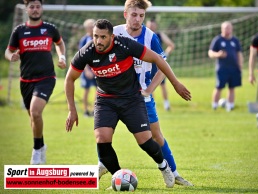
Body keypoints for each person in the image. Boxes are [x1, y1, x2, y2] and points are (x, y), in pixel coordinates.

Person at [65, 19, 191, 188]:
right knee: (102, 139)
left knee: (145, 141)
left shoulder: (124, 45)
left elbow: (158, 59)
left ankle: (164, 166)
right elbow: (69, 78)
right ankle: (118, 178)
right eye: (96, 36)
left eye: (103, 37)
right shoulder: (87, 51)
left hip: (131, 99)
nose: (99, 41)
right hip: (105, 101)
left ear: (112, 36)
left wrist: (176, 83)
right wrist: (72, 110)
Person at [107, 0, 193, 186]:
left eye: (141, 16)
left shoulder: (151, 37)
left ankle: (174, 173)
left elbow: (162, 66)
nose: (138, 19)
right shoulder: (113, 33)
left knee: (156, 135)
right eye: (134, 15)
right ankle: (104, 169)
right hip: (115, 95)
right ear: (125, 14)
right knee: (104, 135)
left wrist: (149, 90)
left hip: (141, 96)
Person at [5, 0, 66, 164]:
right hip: (26, 80)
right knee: (33, 118)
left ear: (42, 8)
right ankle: (41, 145)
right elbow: (8, 51)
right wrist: (11, 56)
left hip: (46, 78)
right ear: (27, 9)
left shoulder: (50, 28)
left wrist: (62, 57)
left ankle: (36, 150)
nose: (35, 9)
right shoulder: (19, 31)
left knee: (35, 111)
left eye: (38, 6)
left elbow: (59, 42)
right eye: (31, 7)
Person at [208, 21, 243, 111]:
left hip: (234, 68)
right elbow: (210, 53)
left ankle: (230, 106)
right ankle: (214, 106)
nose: (227, 30)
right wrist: (218, 54)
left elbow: (239, 53)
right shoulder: (218, 39)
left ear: (231, 29)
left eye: (228, 28)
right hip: (222, 68)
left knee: (232, 88)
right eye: (225, 28)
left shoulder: (235, 40)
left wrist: (240, 65)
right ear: (221, 29)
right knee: (219, 87)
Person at [146, 18, 175, 111]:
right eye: (149, 25)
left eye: (153, 25)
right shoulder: (144, 35)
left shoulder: (159, 35)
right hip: (147, 64)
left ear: (156, 25)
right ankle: (151, 105)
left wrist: (164, 55)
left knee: (162, 84)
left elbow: (171, 45)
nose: (151, 26)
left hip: (158, 64)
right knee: (149, 85)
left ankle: (166, 104)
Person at [79, 19, 98, 117]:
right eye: (89, 27)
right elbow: (81, 57)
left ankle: (95, 110)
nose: (91, 29)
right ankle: (86, 110)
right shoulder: (84, 40)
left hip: (97, 69)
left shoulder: (99, 39)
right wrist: (87, 70)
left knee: (98, 89)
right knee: (86, 90)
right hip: (87, 69)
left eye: (92, 26)